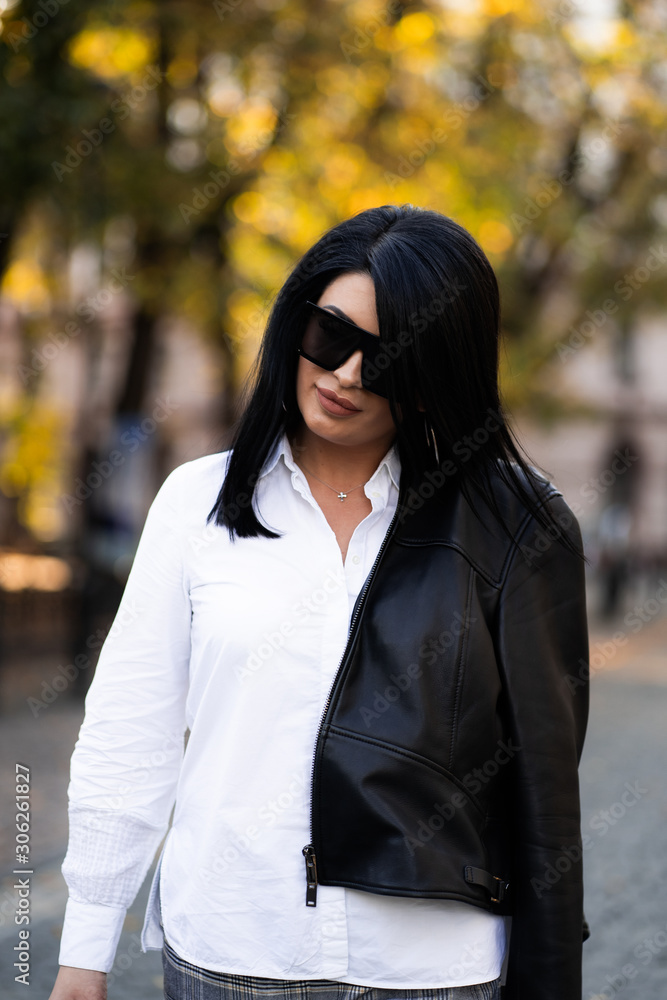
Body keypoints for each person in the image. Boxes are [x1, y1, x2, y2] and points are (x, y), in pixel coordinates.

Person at [49, 204, 589, 1000]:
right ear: (294, 322)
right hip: (230, 957)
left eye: (389, 360)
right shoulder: (194, 503)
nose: (344, 376)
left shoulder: (516, 528)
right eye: (330, 337)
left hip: (433, 973)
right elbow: (133, 733)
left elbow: (543, 786)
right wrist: (81, 957)